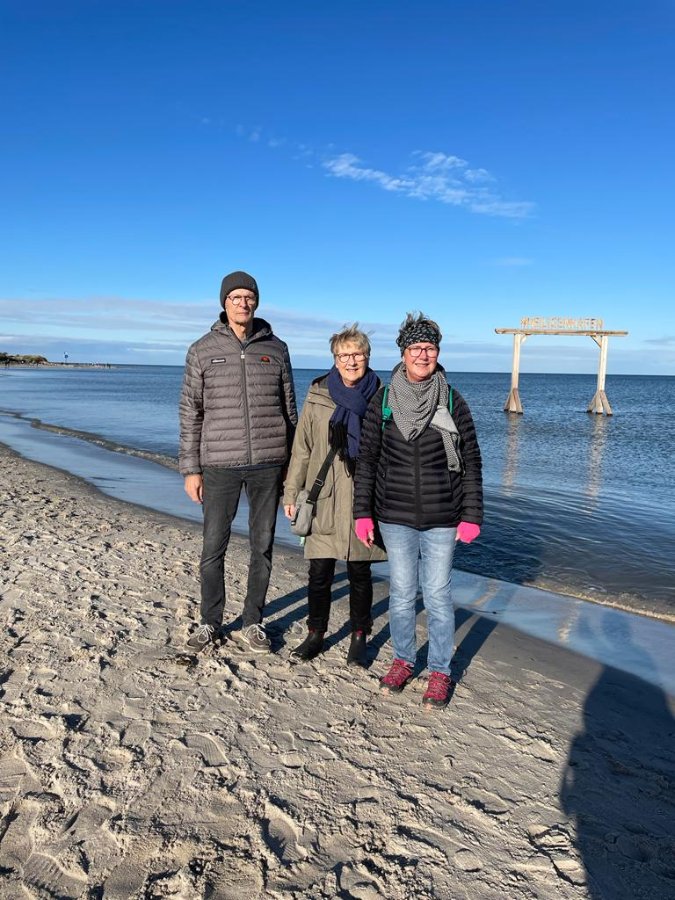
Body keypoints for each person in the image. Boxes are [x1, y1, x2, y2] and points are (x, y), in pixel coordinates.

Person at [353, 312, 483, 707]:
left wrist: (471, 515)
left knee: (438, 596)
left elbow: (471, 460)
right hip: (394, 516)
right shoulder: (384, 400)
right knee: (402, 594)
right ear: (403, 353)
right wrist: (362, 514)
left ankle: (440, 671)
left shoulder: (452, 400)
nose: (423, 355)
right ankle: (404, 660)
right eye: (415, 348)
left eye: (429, 348)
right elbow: (368, 460)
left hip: (444, 516)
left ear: (438, 352)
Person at [179, 271, 297, 653]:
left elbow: (290, 411)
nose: (243, 303)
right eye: (236, 297)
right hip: (219, 464)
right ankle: (210, 622)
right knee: (213, 547)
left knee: (262, 545)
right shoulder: (201, 350)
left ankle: (252, 621)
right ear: (224, 303)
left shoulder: (277, 349)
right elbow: (190, 413)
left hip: (269, 461)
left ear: (256, 302)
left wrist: (292, 468)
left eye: (249, 297)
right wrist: (191, 469)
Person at [283, 325, 386, 666]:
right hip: (323, 496)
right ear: (334, 359)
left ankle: (359, 635)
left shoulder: (382, 396)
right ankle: (316, 633)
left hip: (363, 498)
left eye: (357, 354)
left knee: (360, 573)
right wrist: (291, 493)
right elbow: (302, 448)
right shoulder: (318, 394)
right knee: (319, 572)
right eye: (344, 355)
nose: (351, 361)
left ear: (367, 357)